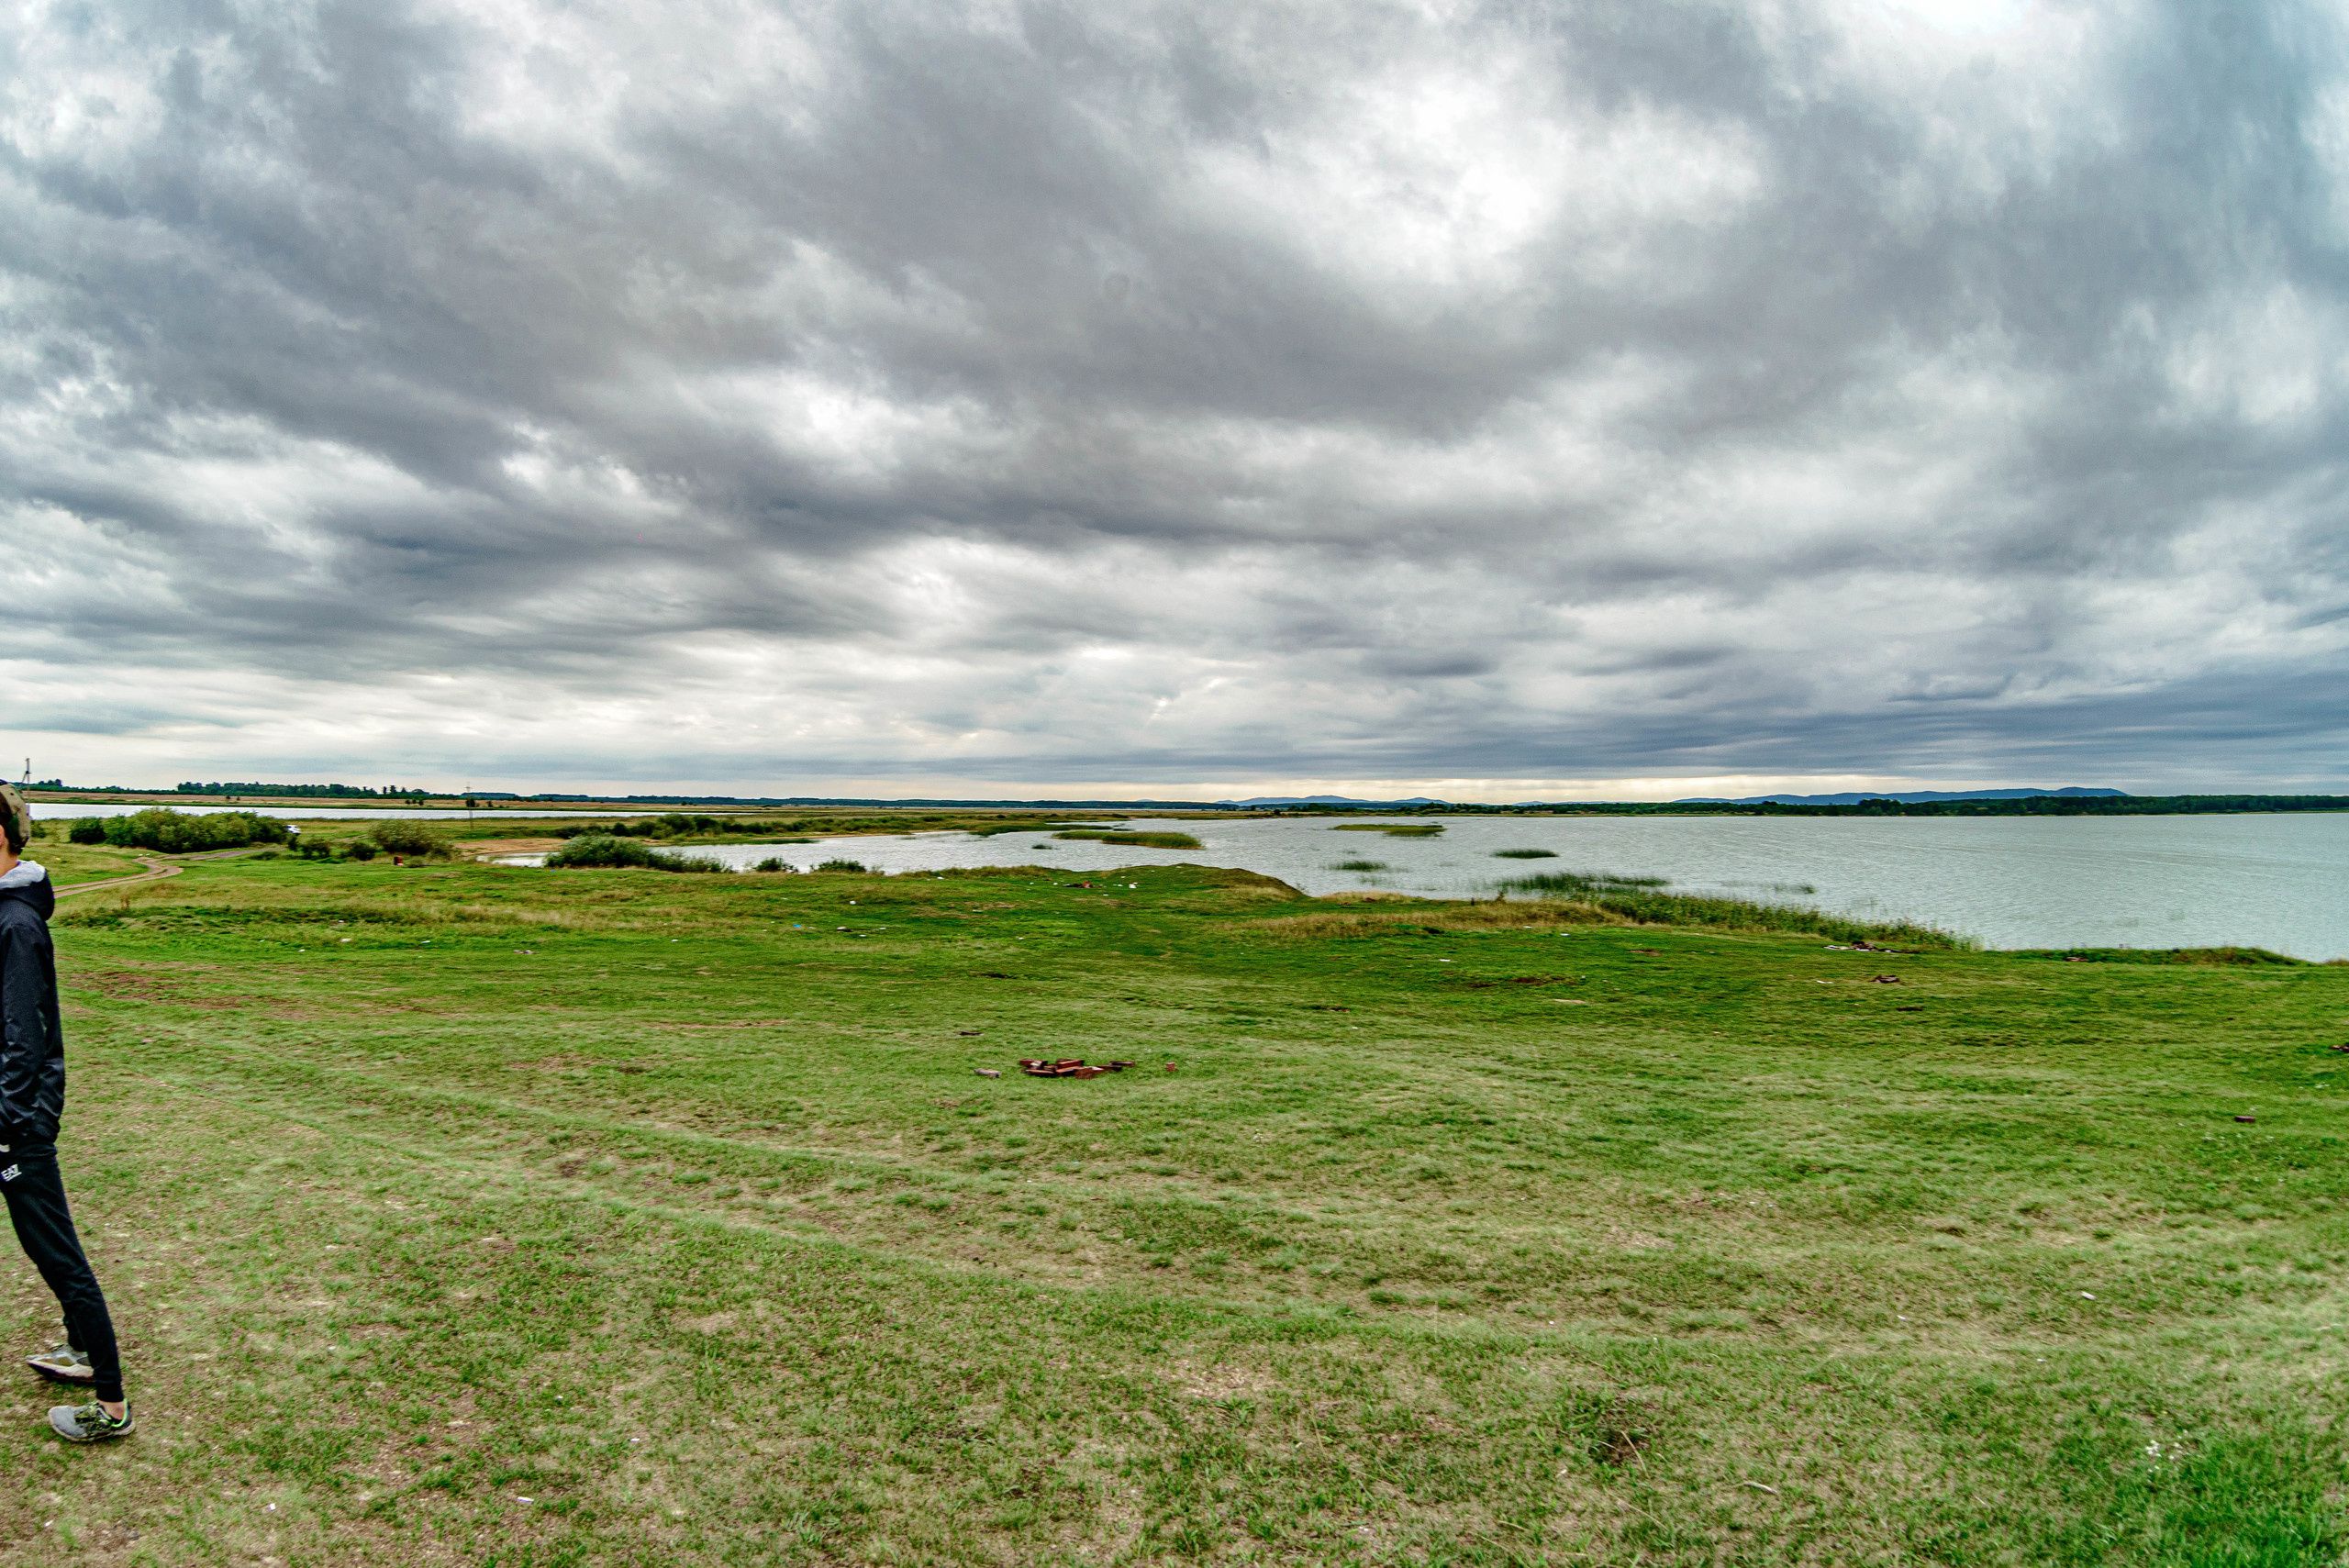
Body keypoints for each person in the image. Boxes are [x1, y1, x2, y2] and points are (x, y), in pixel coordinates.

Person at [0, 784, 131, 1442]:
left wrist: (7, 1123)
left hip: (15, 1124)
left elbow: (24, 1039)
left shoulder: (15, 924)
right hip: (12, 1115)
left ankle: (110, 1406)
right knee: (46, 1244)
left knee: (57, 1252)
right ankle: (80, 1353)